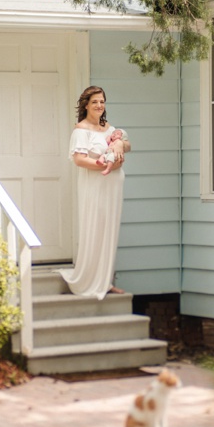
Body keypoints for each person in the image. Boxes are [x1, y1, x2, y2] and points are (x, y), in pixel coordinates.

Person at [58, 86, 131, 299]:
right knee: (96, 229)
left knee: (110, 232)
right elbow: (79, 160)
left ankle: (106, 282)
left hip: (113, 186)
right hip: (95, 186)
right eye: (95, 102)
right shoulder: (81, 130)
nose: (99, 105)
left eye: (102, 101)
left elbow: (128, 145)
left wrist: (119, 142)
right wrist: (104, 165)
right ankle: (90, 280)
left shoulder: (107, 127)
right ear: (86, 105)